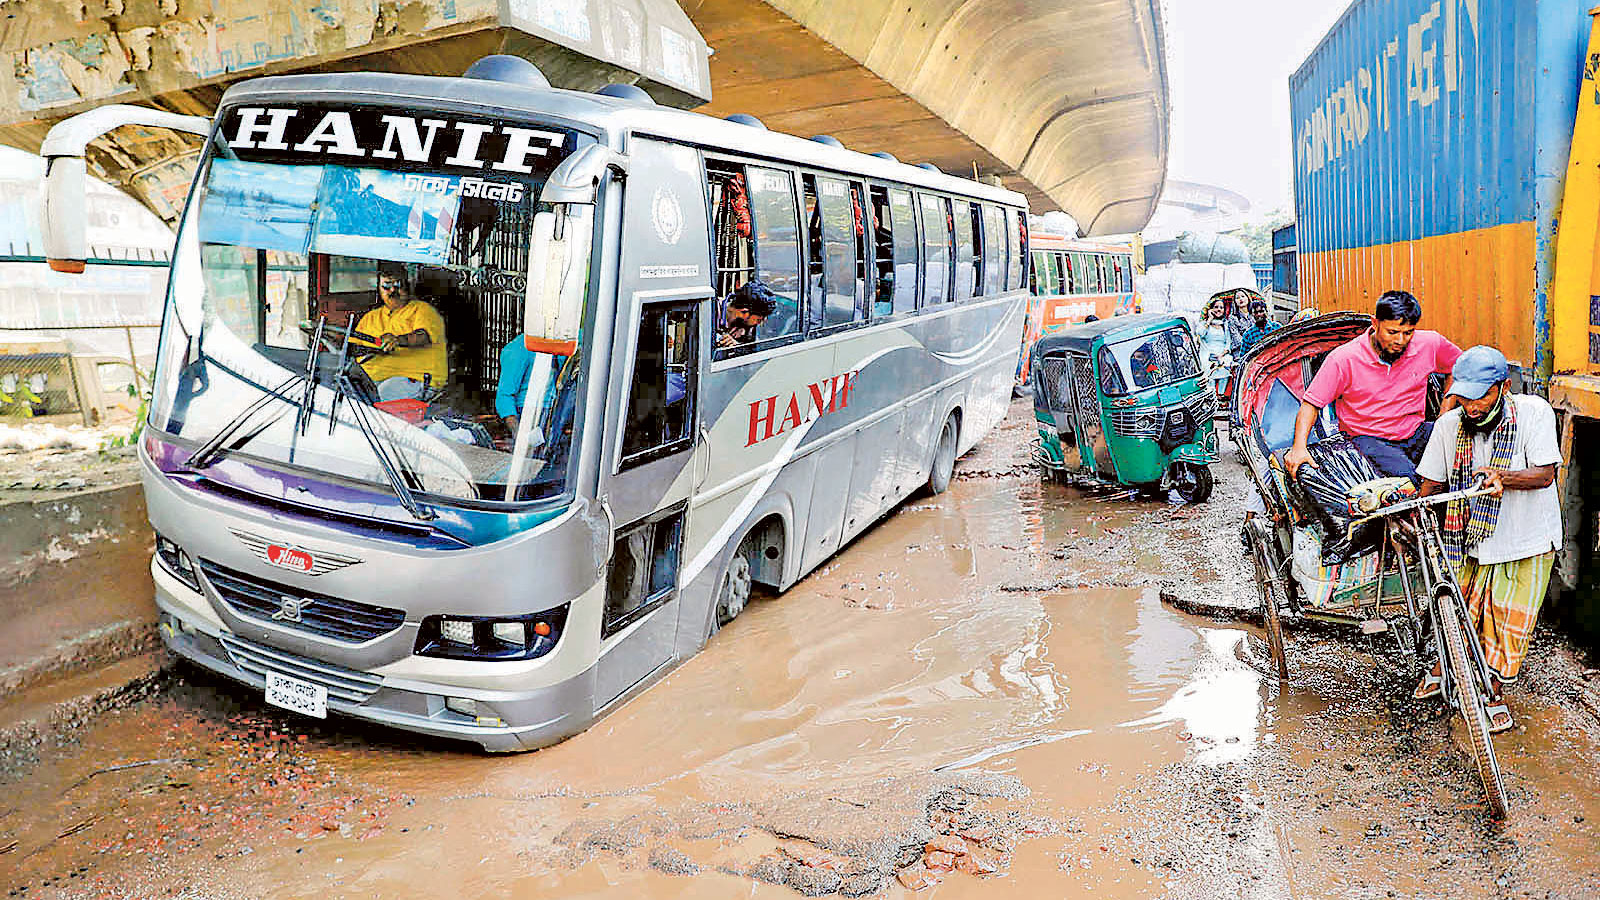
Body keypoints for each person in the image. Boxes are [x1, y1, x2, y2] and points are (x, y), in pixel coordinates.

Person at [1413, 346, 1562, 733]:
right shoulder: (1449, 425)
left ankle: (1490, 691)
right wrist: (1414, 513)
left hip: (1527, 539)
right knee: (1457, 613)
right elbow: (1430, 483)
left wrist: (1503, 477)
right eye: (1464, 396)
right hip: (1469, 542)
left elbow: (1545, 474)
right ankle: (1447, 666)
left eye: (1480, 395)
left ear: (1504, 386)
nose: (1472, 405)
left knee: (1505, 628)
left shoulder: (1534, 413)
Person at [1284, 290, 1462, 483]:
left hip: (1415, 432)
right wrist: (1299, 448)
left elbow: (1461, 367)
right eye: (1392, 332)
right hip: (1366, 439)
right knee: (1412, 481)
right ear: (1375, 323)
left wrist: (1444, 415)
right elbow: (1311, 404)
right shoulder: (1344, 358)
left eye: (1408, 333)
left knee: (1460, 452)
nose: (1400, 341)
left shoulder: (1430, 343)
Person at [358, 262, 448, 401]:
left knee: (382, 395)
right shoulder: (370, 317)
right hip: (373, 379)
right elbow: (354, 347)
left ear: (408, 286)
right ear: (379, 289)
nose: (393, 290)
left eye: (398, 284)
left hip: (416, 379)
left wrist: (397, 340)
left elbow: (423, 336)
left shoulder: (423, 310)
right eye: (387, 286)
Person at [716, 279, 778, 349]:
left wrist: (737, 347)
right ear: (744, 312)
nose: (760, 323)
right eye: (759, 320)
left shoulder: (748, 327)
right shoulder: (711, 311)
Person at [1196, 295, 1235, 399]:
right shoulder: (1204, 323)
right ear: (1211, 309)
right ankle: (1211, 395)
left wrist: (1221, 354)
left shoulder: (1225, 324)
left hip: (1222, 353)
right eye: (1216, 307)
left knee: (1225, 364)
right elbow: (1200, 334)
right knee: (1209, 366)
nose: (1218, 310)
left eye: (1221, 307)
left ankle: (1221, 395)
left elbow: (1228, 342)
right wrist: (1209, 319)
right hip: (1207, 353)